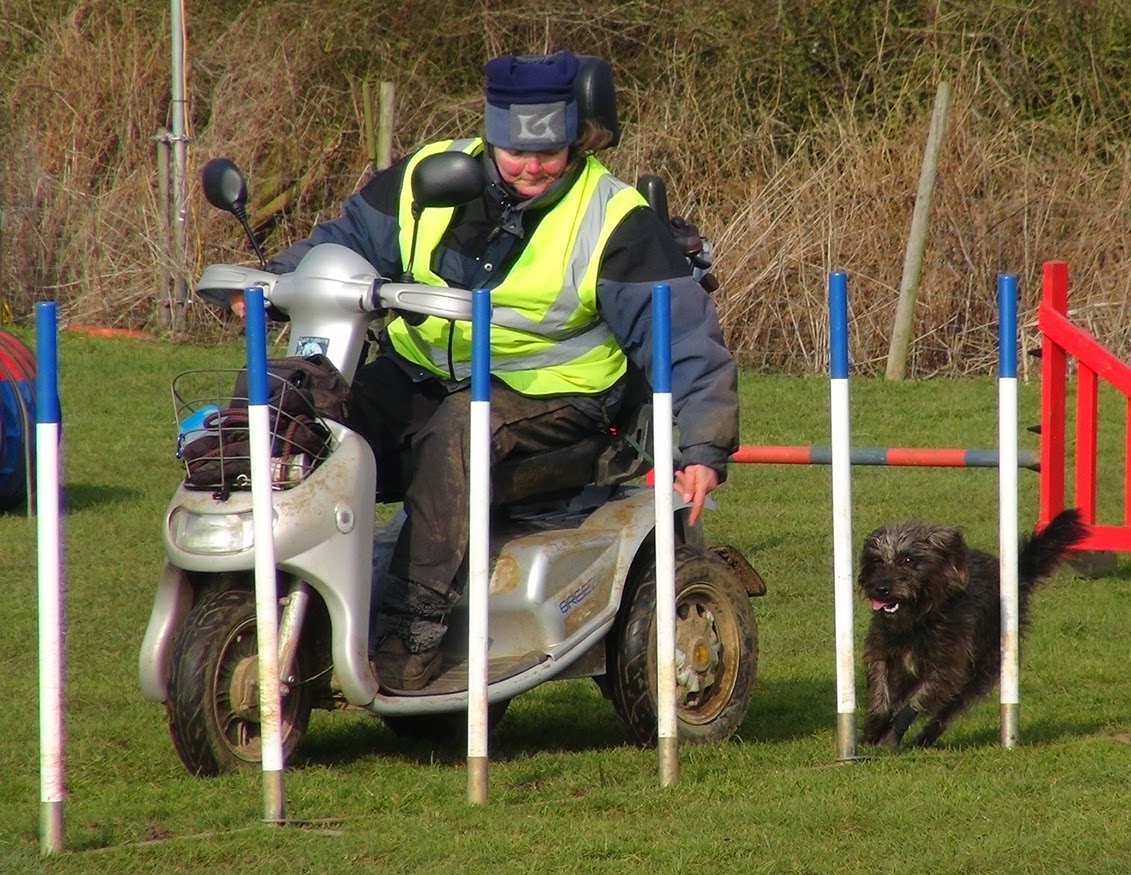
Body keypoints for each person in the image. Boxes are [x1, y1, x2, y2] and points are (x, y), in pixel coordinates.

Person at [261, 51, 739, 692]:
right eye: (518, 151)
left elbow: (682, 334)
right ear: (490, 134)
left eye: (552, 151)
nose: (535, 166)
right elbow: (343, 241)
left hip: (563, 403)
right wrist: (275, 283)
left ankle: (414, 630)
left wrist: (701, 444)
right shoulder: (423, 178)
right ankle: (267, 592)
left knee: (460, 428)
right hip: (419, 376)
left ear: (574, 137)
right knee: (283, 401)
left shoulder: (615, 217)